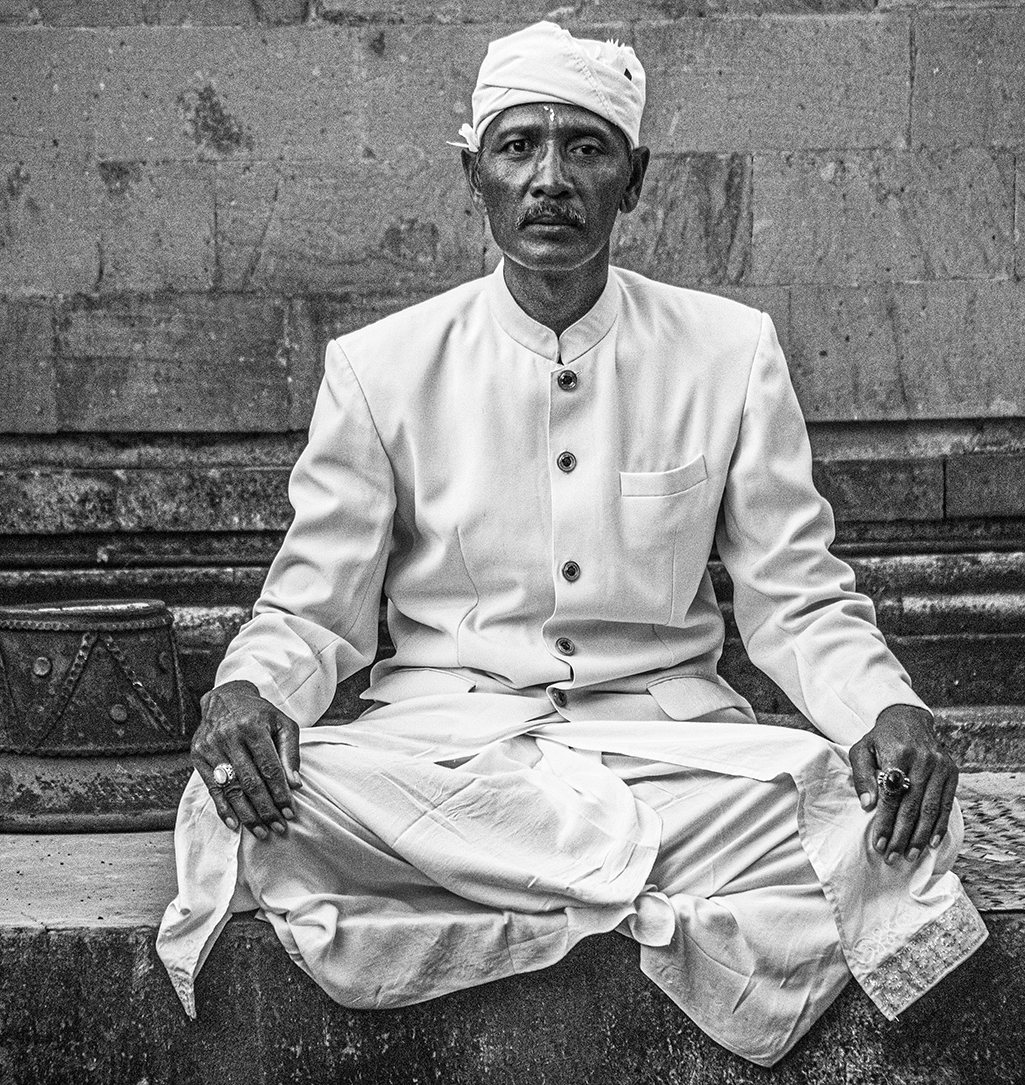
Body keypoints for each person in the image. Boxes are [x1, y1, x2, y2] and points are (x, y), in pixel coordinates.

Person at [157, 22, 986, 1066]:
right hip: (443, 755)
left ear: (631, 179)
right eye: (518, 148)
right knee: (248, 793)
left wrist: (886, 707)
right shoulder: (381, 367)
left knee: (894, 818)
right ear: (475, 174)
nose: (549, 178)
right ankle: (630, 889)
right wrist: (250, 688)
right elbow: (310, 607)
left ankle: (527, 883)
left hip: (667, 747)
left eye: (584, 149)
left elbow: (796, 596)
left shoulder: (728, 355)